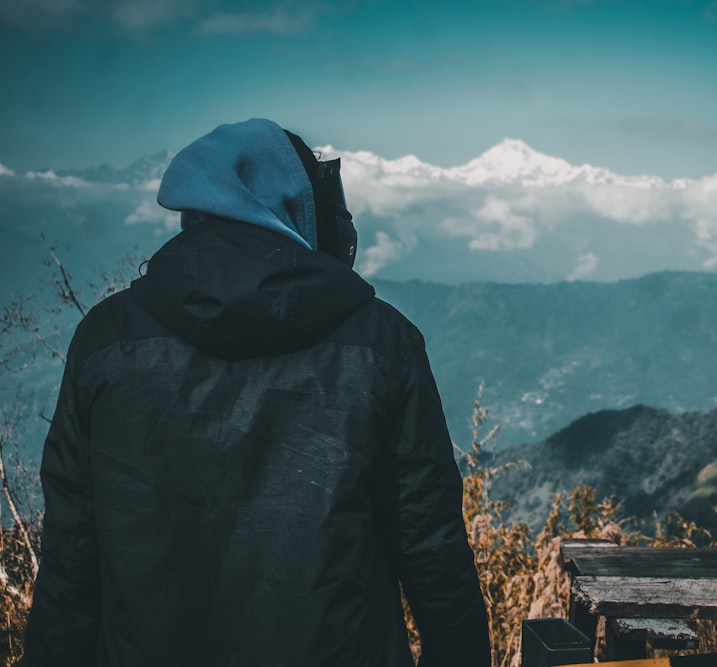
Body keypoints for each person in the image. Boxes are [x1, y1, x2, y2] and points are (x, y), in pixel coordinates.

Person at [21, 119, 491, 667]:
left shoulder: (105, 342)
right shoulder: (382, 344)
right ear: (301, 210)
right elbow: (434, 556)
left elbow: (69, 566)